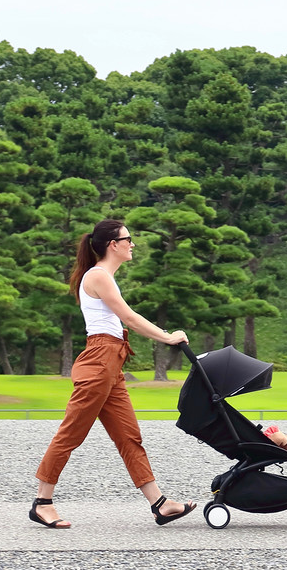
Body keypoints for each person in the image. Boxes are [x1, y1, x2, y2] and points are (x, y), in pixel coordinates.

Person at [30, 220, 197, 529]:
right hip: (99, 363)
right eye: (127, 239)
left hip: (112, 363)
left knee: (129, 436)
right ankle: (42, 503)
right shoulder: (98, 276)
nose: (132, 244)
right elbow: (129, 318)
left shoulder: (102, 276)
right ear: (113, 244)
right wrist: (168, 336)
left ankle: (159, 504)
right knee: (71, 433)